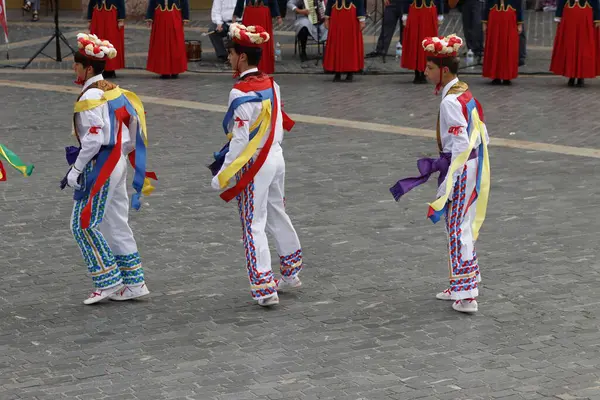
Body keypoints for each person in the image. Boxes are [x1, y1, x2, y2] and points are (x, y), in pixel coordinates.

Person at [389, 34, 491, 314]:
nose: (425, 71)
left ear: (443, 70)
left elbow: (460, 141)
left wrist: (450, 173)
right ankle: (465, 280)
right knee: (463, 225)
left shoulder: (450, 101)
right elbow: (482, 133)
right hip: (471, 165)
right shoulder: (464, 92)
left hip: (460, 168)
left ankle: (466, 294)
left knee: (456, 227)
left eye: (430, 67)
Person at [209, 23, 303, 307]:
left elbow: (239, 140)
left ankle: (264, 286)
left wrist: (224, 174)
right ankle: (290, 272)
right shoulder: (272, 83)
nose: (228, 58)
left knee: (253, 223)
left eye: (231, 53)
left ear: (242, 57)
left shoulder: (239, 92)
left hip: (256, 161)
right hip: (276, 156)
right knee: (277, 211)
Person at [65, 33, 157, 305]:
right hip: (117, 161)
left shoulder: (91, 95)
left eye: (76, 64)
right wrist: (123, 152)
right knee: (116, 222)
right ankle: (134, 282)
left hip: (101, 164)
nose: (74, 68)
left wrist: (76, 169)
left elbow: (93, 138)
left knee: (82, 224)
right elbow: (134, 124)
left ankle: (108, 279)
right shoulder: (113, 90)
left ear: (88, 68)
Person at [550, 0, 600, 87]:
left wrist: (597, 17)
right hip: (569, 14)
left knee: (584, 47)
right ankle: (571, 75)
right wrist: (558, 15)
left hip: (586, 14)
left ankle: (581, 76)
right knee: (570, 45)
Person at [233, 0, 283, 74]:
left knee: (263, 38)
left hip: (263, 14)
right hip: (250, 13)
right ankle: (247, 66)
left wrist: (278, 15)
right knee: (248, 39)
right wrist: (236, 13)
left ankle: (264, 67)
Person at [401, 0, 443, 83]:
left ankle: (424, 72)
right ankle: (416, 72)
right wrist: (405, 13)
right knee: (415, 40)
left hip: (429, 10)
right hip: (415, 10)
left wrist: (440, 12)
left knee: (428, 41)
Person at [145, 0, 190, 79]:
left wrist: (185, 17)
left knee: (175, 43)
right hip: (160, 17)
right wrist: (149, 17)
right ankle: (163, 70)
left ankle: (175, 70)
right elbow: (152, 2)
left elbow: (184, 1)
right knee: (161, 43)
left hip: (174, 15)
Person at [323, 0, 366, 82]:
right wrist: (327, 17)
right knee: (336, 44)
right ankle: (337, 72)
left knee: (350, 45)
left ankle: (350, 72)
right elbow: (330, 2)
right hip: (336, 15)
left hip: (351, 15)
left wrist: (362, 19)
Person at [482, 0, 523, 85]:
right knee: (494, 46)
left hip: (510, 17)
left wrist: (519, 23)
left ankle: (507, 76)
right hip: (494, 18)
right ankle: (495, 76)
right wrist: (485, 21)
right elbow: (487, 4)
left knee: (508, 47)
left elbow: (519, 4)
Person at [87, 0, 126, 79]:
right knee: (98, 41)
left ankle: (110, 69)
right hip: (98, 15)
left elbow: (120, 2)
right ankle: (99, 68)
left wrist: (121, 19)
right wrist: (90, 19)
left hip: (111, 15)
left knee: (111, 40)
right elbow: (91, 2)